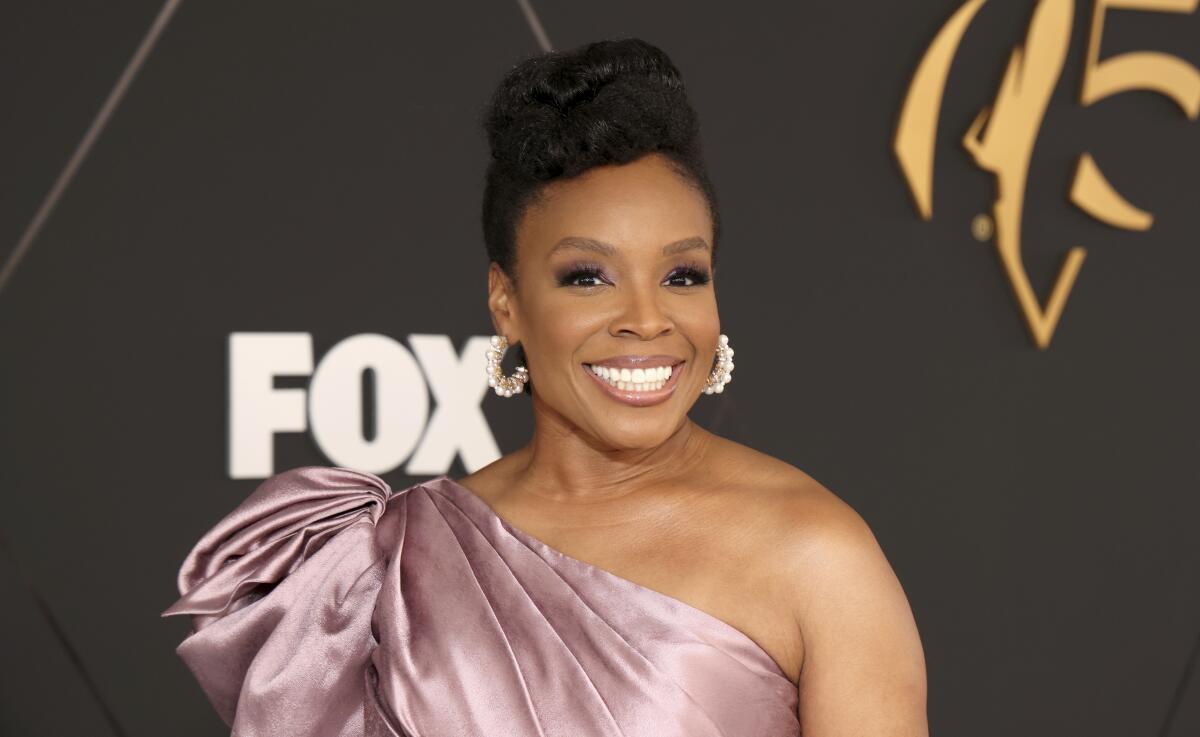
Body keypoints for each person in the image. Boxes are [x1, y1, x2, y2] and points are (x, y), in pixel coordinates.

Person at [162, 37, 928, 737]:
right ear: (507, 301)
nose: (646, 318)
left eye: (682, 274)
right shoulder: (392, 563)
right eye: (588, 276)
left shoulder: (817, 555)